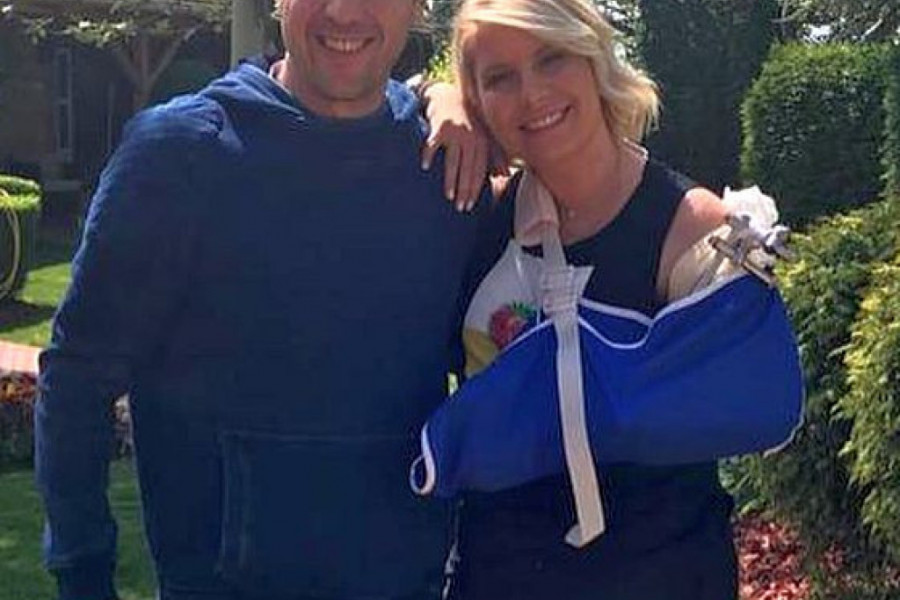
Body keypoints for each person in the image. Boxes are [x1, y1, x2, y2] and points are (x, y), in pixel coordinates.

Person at [34, 1, 490, 599]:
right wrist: (83, 574)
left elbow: (495, 373)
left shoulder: (447, 168)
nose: (344, 11)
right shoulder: (179, 155)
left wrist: (442, 95)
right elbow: (77, 380)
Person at [436, 0, 794, 597]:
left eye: (552, 58)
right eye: (499, 77)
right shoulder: (478, 219)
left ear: (594, 57)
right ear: (477, 99)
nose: (531, 93)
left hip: (663, 576)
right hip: (496, 575)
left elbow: (757, 411)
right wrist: (438, 98)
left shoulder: (692, 229)